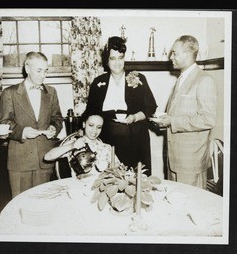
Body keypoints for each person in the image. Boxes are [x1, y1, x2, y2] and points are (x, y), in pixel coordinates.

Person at [85, 36, 157, 175]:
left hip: (135, 139)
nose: (117, 62)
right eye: (113, 58)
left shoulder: (138, 78)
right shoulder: (98, 82)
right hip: (107, 141)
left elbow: (150, 107)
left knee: (136, 182)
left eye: (120, 57)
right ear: (107, 60)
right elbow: (91, 112)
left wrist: (134, 117)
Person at [152, 35, 217, 189]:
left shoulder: (204, 80)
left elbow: (208, 119)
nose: (170, 57)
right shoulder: (182, 78)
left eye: (175, 53)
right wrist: (165, 121)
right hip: (174, 159)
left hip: (190, 162)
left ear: (188, 54)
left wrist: (172, 121)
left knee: (190, 207)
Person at [0, 52, 63, 198]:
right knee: (21, 207)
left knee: (42, 207)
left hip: (44, 160)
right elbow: (3, 122)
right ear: (27, 68)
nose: (43, 75)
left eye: (45, 71)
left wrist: (54, 128)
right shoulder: (10, 93)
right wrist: (22, 132)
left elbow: (57, 118)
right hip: (20, 162)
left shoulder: (51, 92)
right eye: (39, 70)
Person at [44, 111, 120, 178]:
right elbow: (47, 157)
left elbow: (118, 170)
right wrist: (72, 146)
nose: (94, 130)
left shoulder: (106, 147)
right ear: (84, 124)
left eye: (99, 127)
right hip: (79, 188)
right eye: (91, 125)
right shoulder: (75, 143)